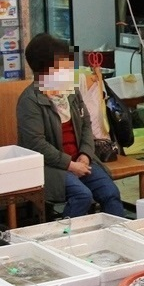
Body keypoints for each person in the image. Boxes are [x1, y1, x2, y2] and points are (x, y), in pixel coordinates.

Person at [17, 33, 125, 218]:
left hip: (81, 161)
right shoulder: (29, 101)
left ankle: (120, 239)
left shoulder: (71, 90)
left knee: (111, 194)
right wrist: (70, 165)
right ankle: (64, 240)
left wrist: (85, 154)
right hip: (50, 167)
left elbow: (86, 125)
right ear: (45, 69)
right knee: (82, 195)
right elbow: (36, 144)